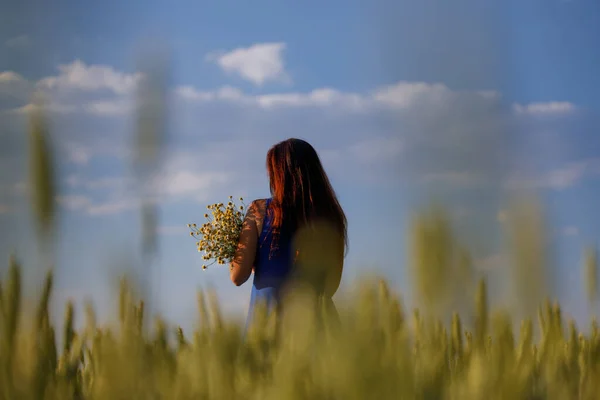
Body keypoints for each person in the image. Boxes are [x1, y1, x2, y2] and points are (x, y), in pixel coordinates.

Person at [229, 138, 347, 331]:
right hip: (316, 326)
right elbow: (330, 287)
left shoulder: (259, 210)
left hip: (269, 321)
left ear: (279, 174)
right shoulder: (331, 218)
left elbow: (237, 276)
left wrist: (234, 249)